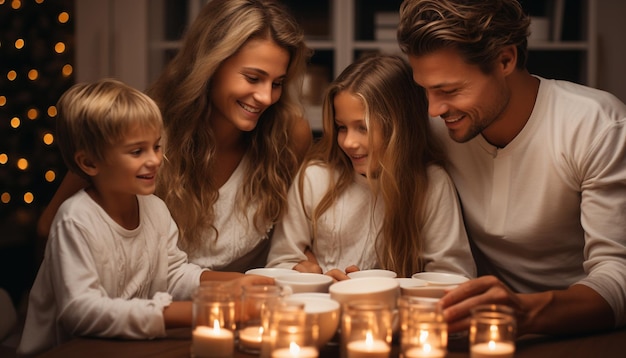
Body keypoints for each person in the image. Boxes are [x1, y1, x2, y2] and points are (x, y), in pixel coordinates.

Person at [397, 0, 626, 336]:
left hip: (585, 331)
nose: (433, 110)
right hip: (477, 328)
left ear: (505, 59)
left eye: (449, 90)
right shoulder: (437, 129)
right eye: (426, 91)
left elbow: (618, 275)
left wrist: (523, 312)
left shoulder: (596, 125)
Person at [36, 0, 313, 273]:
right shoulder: (139, 132)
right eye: (253, 78)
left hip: (240, 310)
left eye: (277, 83)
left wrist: (306, 260)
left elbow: (296, 235)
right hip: (144, 314)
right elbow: (51, 227)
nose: (266, 97)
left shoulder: (288, 136)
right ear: (211, 65)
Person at [17, 79, 272, 356]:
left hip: (123, 348)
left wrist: (232, 283)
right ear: (89, 163)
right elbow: (81, 311)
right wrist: (198, 311)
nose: (154, 160)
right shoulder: (75, 220)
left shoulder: (155, 209)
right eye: (137, 151)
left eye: (157, 146)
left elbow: (173, 275)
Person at [266, 54, 476, 280]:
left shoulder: (431, 184)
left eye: (362, 128)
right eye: (341, 127)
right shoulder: (314, 178)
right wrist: (311, 276)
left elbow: (453, 276)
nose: (348, 142)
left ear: (400, 127)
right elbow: (280, 262)